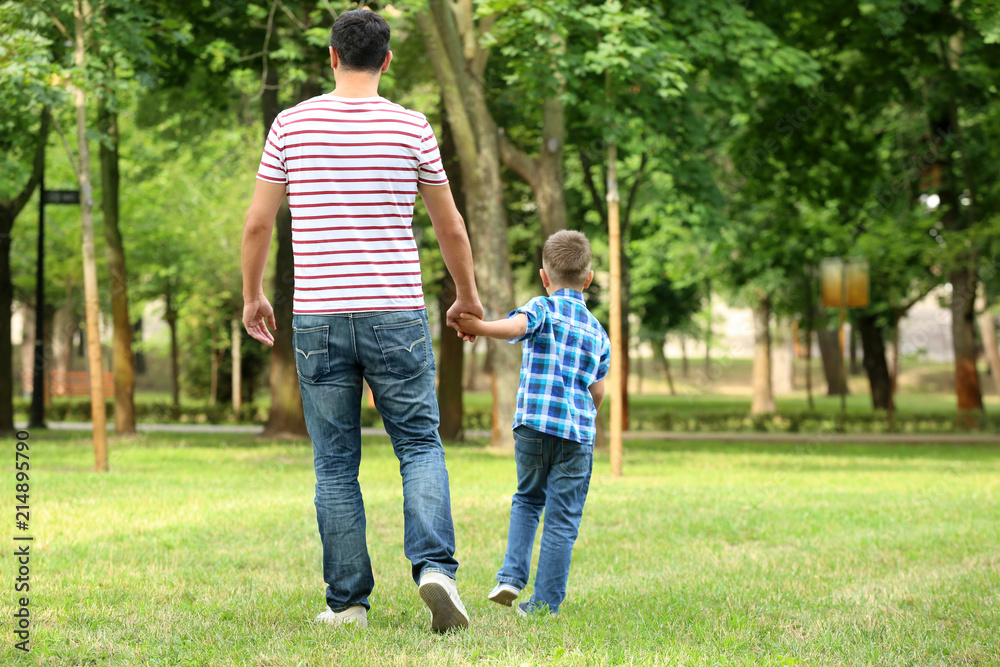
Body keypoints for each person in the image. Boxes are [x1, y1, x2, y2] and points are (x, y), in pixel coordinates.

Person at [240, 9, 482, 633]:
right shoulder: (412, 128)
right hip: (394, 313)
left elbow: (259, 223)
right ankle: (435, 569)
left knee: (334, 464)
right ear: (388, 59)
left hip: (319, 317)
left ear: (331, 56)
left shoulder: (291, 126)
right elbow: (450, 225)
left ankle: (347, 602)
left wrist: (252, 295)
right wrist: (467, 297)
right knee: (420, 446)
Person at [456, 230, 610, 616]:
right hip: (576, 436)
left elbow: (518, 327)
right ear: (588, 279)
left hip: (533, 428)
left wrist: (482, 328)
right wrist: (584, 411)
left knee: (527, 500)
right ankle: (543, 606)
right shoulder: (598, 331)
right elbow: (598, 391)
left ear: (545, 277)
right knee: (562, 520)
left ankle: (510, 577)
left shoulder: (543, 308)